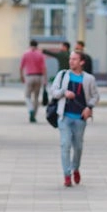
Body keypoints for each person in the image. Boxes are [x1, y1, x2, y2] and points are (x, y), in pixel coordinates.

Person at [49, 50, 99, 187]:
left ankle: (75, 168)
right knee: (65, 145)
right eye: (70, 59)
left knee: (78, 147)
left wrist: (89, 107)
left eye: (74, 59)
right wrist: (64, 92)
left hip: (80, 119)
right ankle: (67, 174)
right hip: (64, 117)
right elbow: (53, 91)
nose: (71, 61)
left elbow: (95, 96)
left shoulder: (89, 79)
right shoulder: (63, 75)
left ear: (82, 62)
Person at [19, 40, 47, 123]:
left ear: (30, 45)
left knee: (27, 96)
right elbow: (44, 68)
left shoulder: (26, 54)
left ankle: (30, 109)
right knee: (36, 97)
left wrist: (21, 76)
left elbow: (21, 67)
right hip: (39, 76)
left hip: (29, 76)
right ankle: (34, 116)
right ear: (37, 46)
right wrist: (45, 79)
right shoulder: (40, 54)